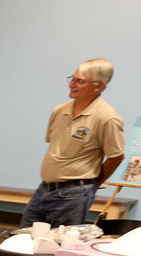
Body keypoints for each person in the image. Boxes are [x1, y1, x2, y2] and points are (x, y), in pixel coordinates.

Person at [21, 59, 125, 228]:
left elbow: (117, 157)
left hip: (74, 195)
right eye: (72, 78)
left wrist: (92, 185)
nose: (71, 84)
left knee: (57, 249)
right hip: (44, 189)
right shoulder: (59, 110)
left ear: (98, 86)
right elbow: (56, 147)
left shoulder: (107, 118)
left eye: (80, 81)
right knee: (22, 240)